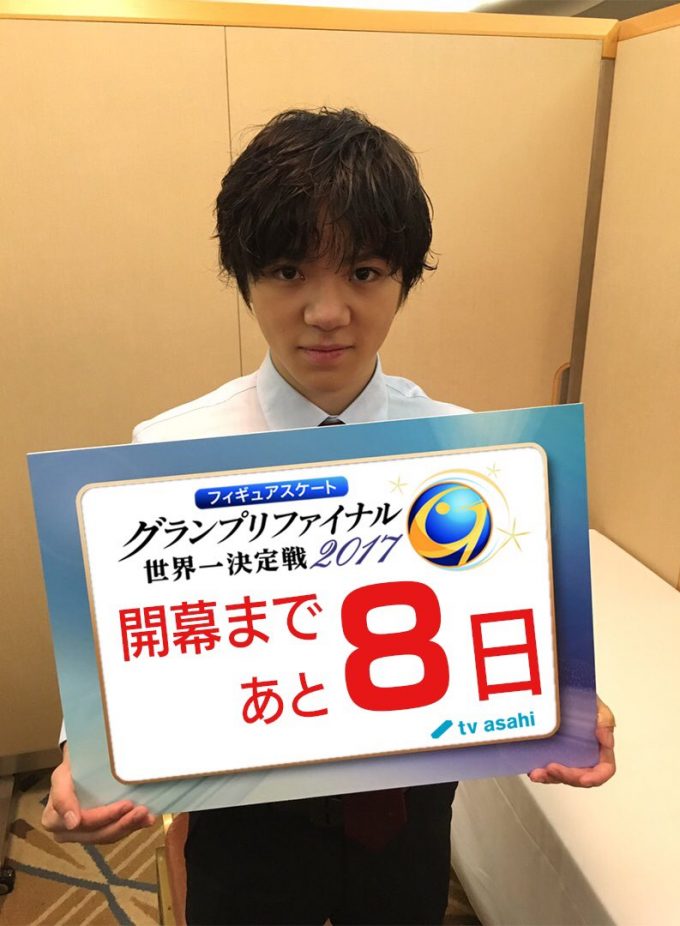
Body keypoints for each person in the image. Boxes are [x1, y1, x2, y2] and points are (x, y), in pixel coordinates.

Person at [42, 108, 616, 924]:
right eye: (288, 271)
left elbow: (508, 614)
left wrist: (570, 702)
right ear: (244, 275)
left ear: (404, 278)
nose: (327, 311)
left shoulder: (470, 455)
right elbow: (120, 636)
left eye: (365, 272)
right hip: (245, 814)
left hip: (409, 807)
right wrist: (83, 753)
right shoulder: (167, 451)